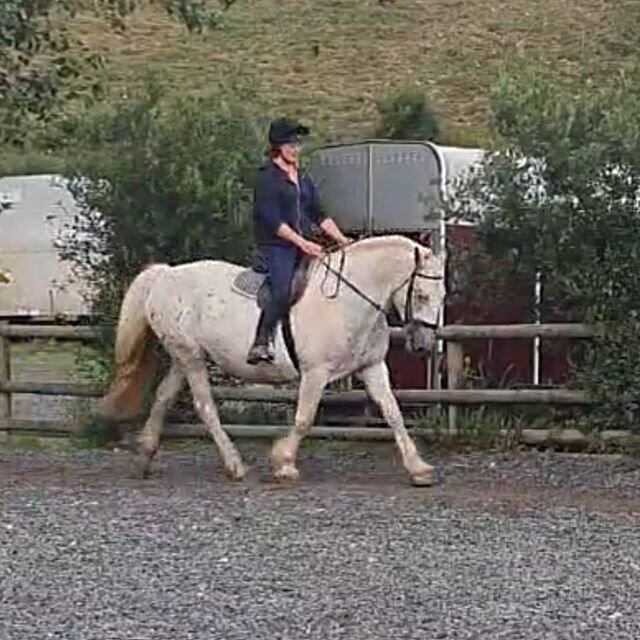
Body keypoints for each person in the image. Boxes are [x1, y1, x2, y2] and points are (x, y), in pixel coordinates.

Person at [247, 117, 351, 364]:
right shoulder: (267, 179)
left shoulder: (303, 179)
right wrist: (303, 244)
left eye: (298, 144)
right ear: (277, 147)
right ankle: (261, 341)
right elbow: (273, 221)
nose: (295, 149)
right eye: (290, 145)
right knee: (282, 290)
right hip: (277, 247)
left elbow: (319, 214)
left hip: (302, 245)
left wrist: (342, 239)